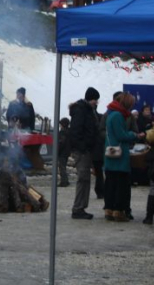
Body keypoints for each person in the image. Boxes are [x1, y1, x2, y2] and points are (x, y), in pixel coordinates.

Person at [103, 92, 143, 222]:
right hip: (119, 156)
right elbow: (122, 135)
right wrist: (134, 135)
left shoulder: (111, 113)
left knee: (111, 185)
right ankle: (118, 212)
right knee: (121, 185)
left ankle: (109, 209)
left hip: (111, 154)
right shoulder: (118, 115)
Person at [68, 87, 100, 220]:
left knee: (85, 179)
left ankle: (81, 207)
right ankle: (78, 208)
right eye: (95, 100)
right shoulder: (81, 110)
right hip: (82, 151)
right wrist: (82, 147)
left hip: (86, 150)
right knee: (83, 179)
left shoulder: (88, 110)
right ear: (90, 99)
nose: (96, 102)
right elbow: (75, 131)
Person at [57, 117, 71, 188]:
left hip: (62, 152)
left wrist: (57, 151)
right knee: (63, 166)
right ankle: (65, 181)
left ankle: (64, 182)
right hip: (67, 152)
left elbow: (61, 143)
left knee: (62, 167)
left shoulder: (62, 132)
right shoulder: (69, 131)